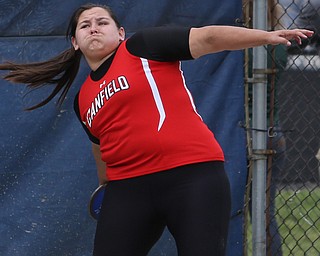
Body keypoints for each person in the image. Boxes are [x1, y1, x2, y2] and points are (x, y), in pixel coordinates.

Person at [0, 3, 313, 256]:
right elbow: (101, 150)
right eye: (85, 25)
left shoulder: (141, 47)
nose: (93, 27)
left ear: (120, 33)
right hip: (129, 189)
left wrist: (265, 37)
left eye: (102, 22)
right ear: (75, 42)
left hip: (191, 176)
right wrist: (105, 188)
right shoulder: (83, 100)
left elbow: (206, 39)